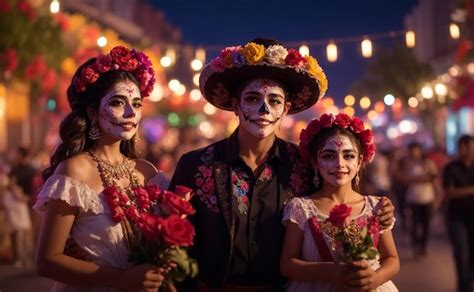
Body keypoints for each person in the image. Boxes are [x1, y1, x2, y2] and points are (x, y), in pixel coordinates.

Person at [169, 38, 395, 291]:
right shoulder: (196, 165)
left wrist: (380, 208)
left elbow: (340, 199)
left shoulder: (306, 164)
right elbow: (174, 243)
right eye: (252, 98)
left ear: (286, 109)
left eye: (274, 101)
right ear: (235, 105)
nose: (264, 109)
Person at [33, 46, 170, 291]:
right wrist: (121, 279)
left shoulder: (147, 172)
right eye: (118, 102)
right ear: (93, 113)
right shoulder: (74, 171)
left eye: (136, 104)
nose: (130, 113)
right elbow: (47, 261)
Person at [280, 113, 399, 291]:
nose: (339, 164)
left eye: (348, 156)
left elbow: (392, 258)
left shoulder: (376, 207)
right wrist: (331, 271)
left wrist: (376, 278)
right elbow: (287, 265)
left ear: (360, 162)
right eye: (329, 156)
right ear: (314, 162)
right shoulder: (301, 208)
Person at [442, 134, 474, 292]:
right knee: (461, 254)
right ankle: (464, 287)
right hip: (457, 217)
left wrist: (461, 191)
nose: (467, 150)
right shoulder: (451, 168)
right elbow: (448, 193)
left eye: (470, 147)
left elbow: (455, 191)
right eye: (464, 147)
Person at [401, 142, 440, 257]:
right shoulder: (407, 163)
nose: (414, 153)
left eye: (416, 150)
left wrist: (437, 195)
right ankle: (415, 245)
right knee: (414, 222)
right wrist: (421, 178)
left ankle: (423, 246)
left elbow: (434, 178)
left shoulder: (428, 163)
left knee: (426, 223)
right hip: (413, 197)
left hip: (427, 197)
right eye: (411, 150)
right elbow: (403, 178)